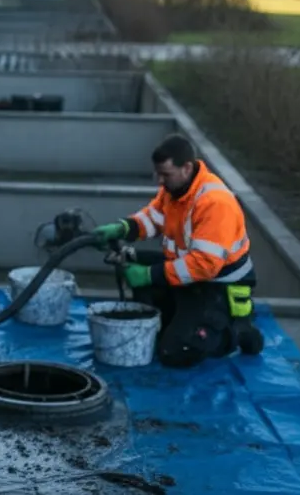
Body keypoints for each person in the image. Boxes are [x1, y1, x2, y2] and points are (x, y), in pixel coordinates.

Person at [90, 133, 265, 368]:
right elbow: (153, 218)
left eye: (165, 174)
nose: (158, 181)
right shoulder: (176, 190)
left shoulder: (214, 203)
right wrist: (122, 228)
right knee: (134, 265)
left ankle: (235, 331)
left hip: (217, 286)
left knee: (175, 352)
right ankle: (175, 318)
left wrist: (149, 274)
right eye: (157, 173)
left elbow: (204, 266)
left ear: (186, 168)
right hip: (190, 274)